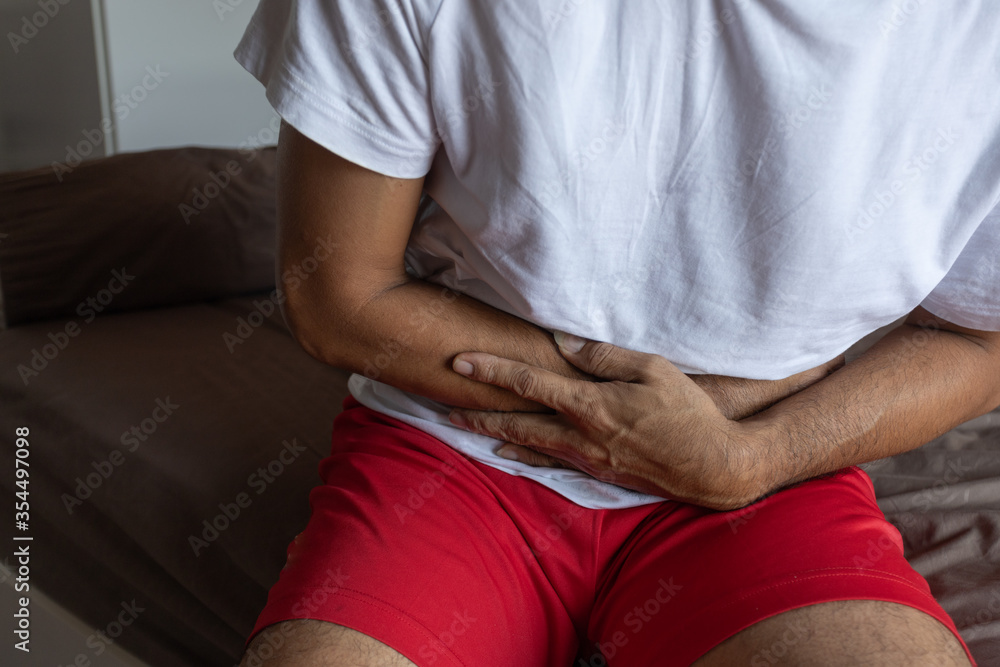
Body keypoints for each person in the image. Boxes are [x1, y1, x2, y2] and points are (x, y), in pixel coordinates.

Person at [234, 1, 999, 664]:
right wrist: (675, 409)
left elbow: (981, 341)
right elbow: (339, 295)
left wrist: (760, 454)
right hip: (453, 453)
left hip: (766, 477)